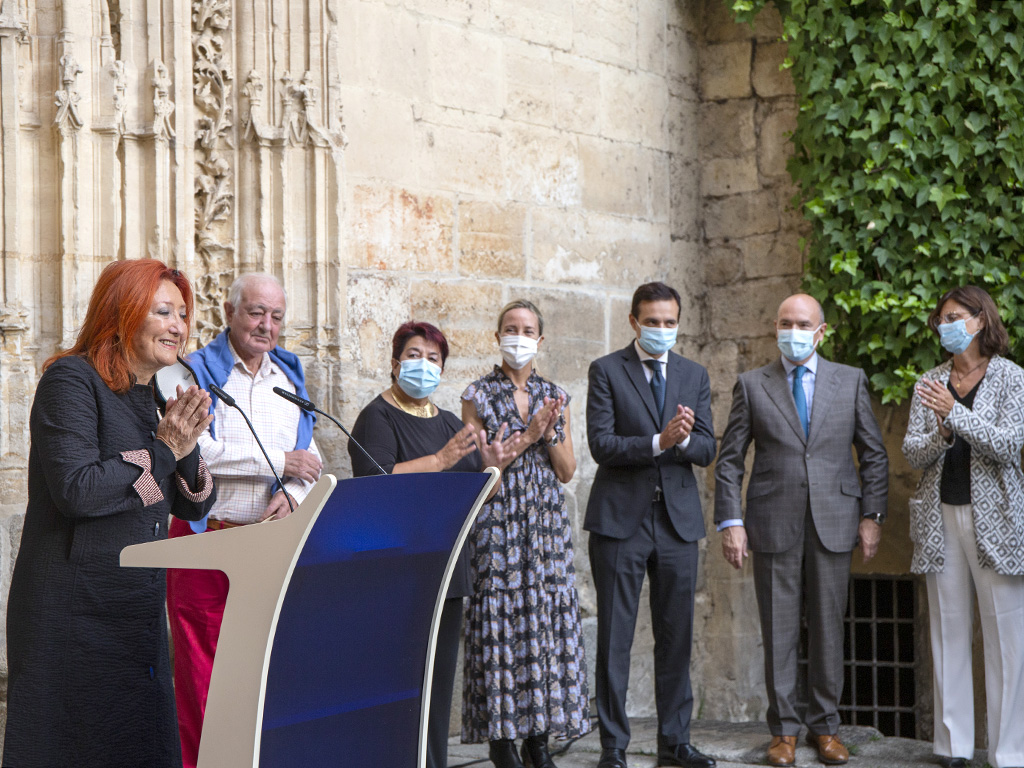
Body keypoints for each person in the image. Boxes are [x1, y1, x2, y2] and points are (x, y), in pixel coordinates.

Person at [3, 259, 216, 768]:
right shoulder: (72, 381)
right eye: (163, 311)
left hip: (134, 610)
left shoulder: (152, 397)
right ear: (122, 314)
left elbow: (195, 501)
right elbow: (78, 489)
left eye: (183, 314)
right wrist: (164, 449)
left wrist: (182, 445)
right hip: (72, 613)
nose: (178, 326)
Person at [714, 293, 888, 767]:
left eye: (803, 323)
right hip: (772, 522)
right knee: (779, 630)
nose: (793, 330)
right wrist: (732, 522)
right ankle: (784, 732)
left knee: (829, 628)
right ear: (775, 327)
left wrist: (872, 516)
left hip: (836, 521)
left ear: (821, 331)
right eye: (785, 322)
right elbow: (729, 461)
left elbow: (873, 453)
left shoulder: (849, 381)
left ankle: (826, 728)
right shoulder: (753, 385)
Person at [165, 272, 323, 768]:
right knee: (203, 680)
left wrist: (294, 495)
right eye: (256, 312)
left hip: (268, 554)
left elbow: (311, 461)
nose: (266, 325)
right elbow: (198, 450)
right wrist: (281, 461)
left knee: (264, 675)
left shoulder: (287, 380)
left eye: (276, 316)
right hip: (206, 543)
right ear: (230, 313)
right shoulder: (198, 374)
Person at [349, 321, 520, 768]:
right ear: (393, 362)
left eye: (433, 359)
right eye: (414, 355)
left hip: (448, 568)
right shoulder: (376, 416)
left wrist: (492, 471)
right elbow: (374, 484)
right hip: (397, 571)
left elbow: (475, 496)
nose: (423, 365)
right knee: (400, 688)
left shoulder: (448, 421)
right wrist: (441, 460)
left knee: (437, 689)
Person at [585, 281, 717, 768]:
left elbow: (707, 448)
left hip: (679, 523)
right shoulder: (606, 371)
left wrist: (680, 442)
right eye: (653, 321)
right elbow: (602, 444)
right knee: (616, 638)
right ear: (634, 322)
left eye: (670, 322)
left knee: (676, 636)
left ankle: (675, 743)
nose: (662, 330)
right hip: (621, 522)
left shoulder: (693, 374)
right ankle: (613, 747)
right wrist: (659, 441)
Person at [461, 299, 590, 768]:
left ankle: (538, 737)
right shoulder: (476, 394)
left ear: (540, 339)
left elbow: (567, 470)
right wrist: (530, 435)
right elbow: (482, 468)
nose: (519, 336)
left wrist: (550, 433)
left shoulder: (556, 394)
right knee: (502, 624)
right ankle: (502, 741)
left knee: (543, 625)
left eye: (528, 329)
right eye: (510, 328)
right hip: (499, 520)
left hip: (544, 525)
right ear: (498, 337)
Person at [902, 286, 1024, 768]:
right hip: (940, 517)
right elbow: (913, 453)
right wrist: (942, 432)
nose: (945, 325)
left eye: (954, 316)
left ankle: (1008, 751)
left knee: (1006, 637)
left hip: (999, 521)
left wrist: (957, 415)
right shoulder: (929, 381)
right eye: (940, 319)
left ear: (979, 319)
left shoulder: (1013, 379)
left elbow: (1008, 445)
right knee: (948, 630)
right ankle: (952, 747)